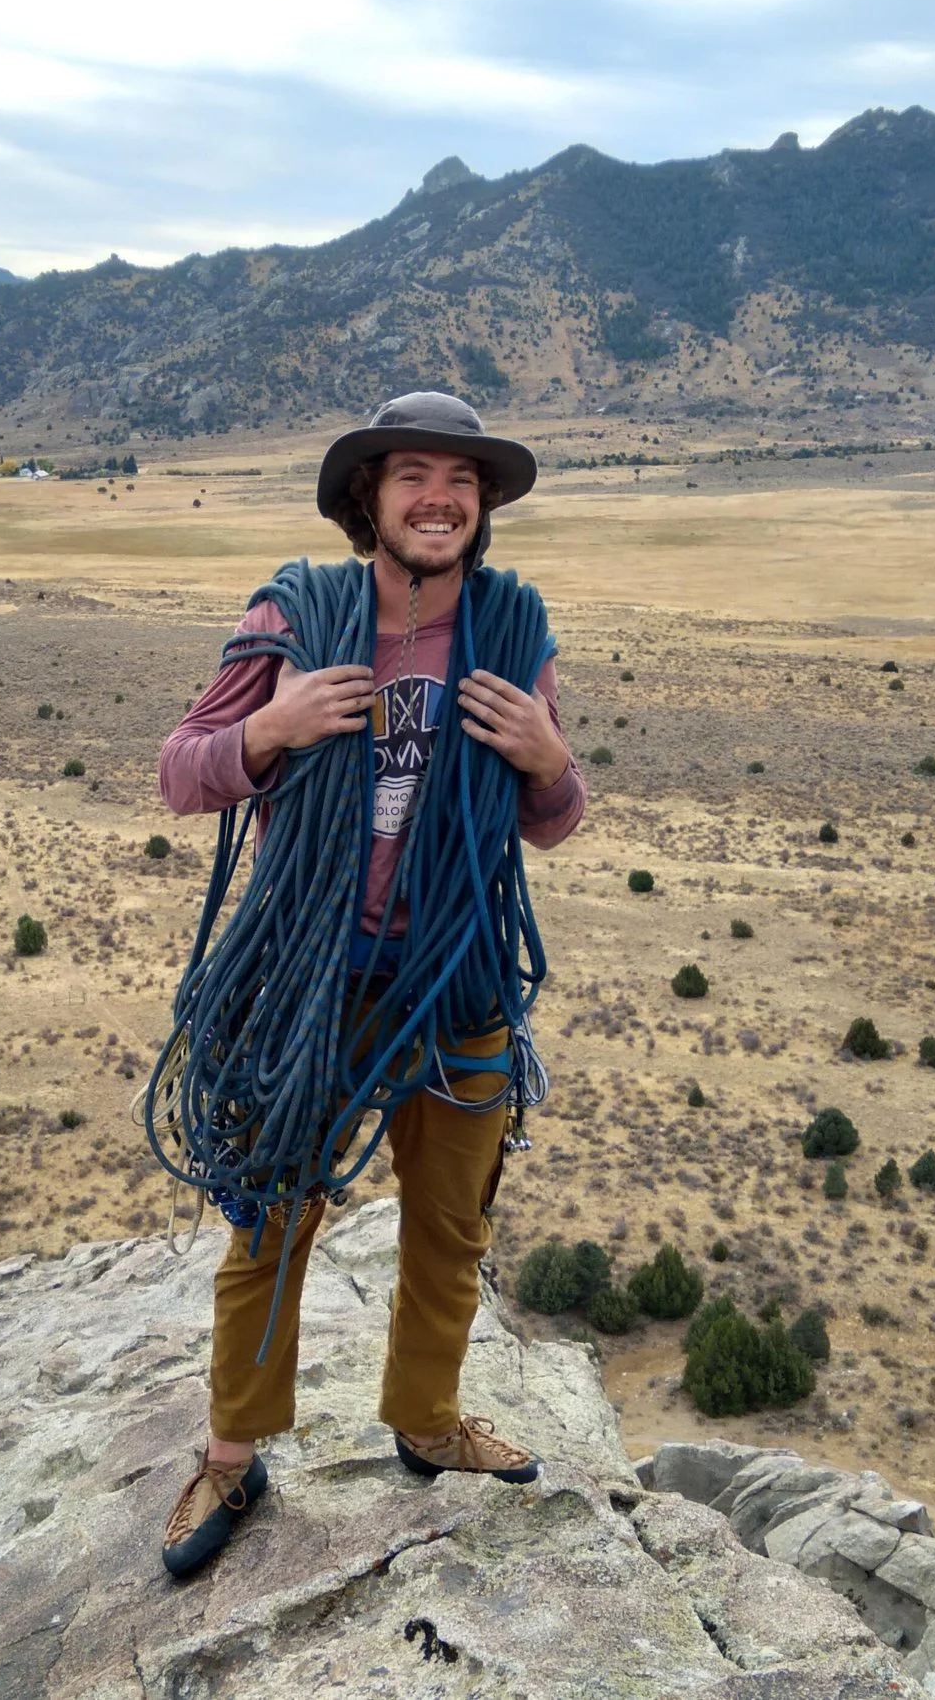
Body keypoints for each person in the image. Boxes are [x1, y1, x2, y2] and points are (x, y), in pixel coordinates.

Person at [150, 390, 586, 1576]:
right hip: (313, 982)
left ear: (482, 507)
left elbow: (553, 821)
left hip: (459, 975)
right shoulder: (295, 612)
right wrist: (274, 725)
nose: (438, 497)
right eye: (412, 476)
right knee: (272, 1218)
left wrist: (550, 763)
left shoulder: (515, 626)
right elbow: (181, 774)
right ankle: (231, 1459)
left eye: (461, 479)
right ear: (369, 499)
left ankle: (428, 1423)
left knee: (452, 1224)